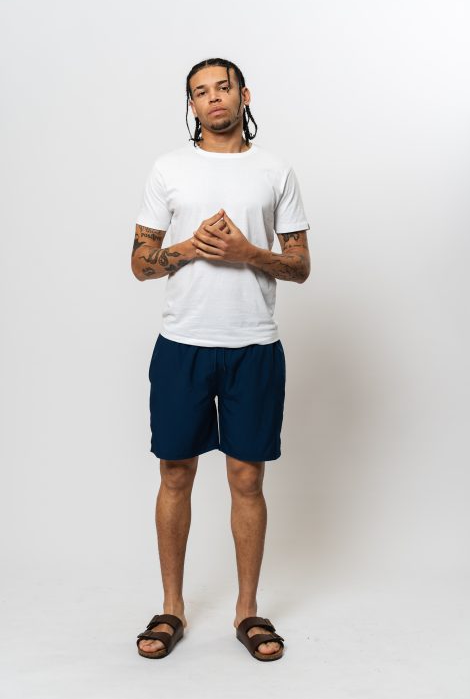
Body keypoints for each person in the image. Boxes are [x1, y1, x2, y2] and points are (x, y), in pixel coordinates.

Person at [132, 57, 310, 662]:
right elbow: (141, 263)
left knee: (247, 478)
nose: (212, 98)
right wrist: (187, 247)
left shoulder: (275, 170)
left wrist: (246, 253)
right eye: (200, 92)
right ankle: (172, 608)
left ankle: (247, 610)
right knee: (175, 473)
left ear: (243, 95)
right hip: (182, 343)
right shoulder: (169, 169)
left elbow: (300, 265)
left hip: (253, 344)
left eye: (222, 87)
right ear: (191, 106)